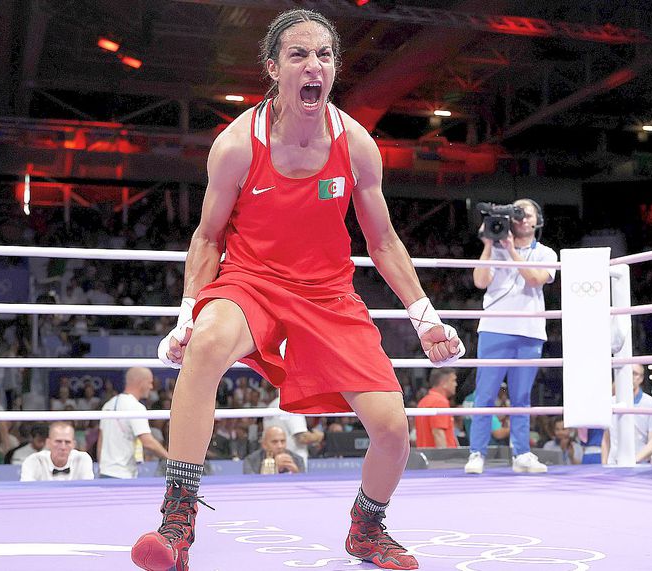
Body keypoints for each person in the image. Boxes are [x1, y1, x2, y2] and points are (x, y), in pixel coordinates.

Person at [130, 9, 464, 571]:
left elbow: (382, 242)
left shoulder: (356, 145)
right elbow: (208, 236)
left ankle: (367, 527)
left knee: (391, 430)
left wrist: (424, 314)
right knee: (208, 345)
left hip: (329, 296)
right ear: (273, 68)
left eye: (325, 56)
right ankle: (177, 522)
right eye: (299, 55)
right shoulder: (237, 145)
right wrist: (188, 313)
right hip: (251, 283)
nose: (315, 66)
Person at [465, 198, 556, 475]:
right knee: (485, 394)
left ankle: (522, 454)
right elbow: (480, 282)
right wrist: (489, 244)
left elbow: (535, 279)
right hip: (494, 328)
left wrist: (513, 252)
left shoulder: (546, 253)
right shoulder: (495, 249)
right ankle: (476, 453)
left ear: (536, 221)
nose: (520, 219)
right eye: (515, 215)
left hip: (529, 331)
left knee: (522, 396)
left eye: (525, 214)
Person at [98, 367, 168, 478]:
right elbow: (147, 442)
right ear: (142, 382)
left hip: (105, 472)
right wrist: (170, 459)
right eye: (150, 382)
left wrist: (102, 468)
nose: (151, 387)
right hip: (123, 475)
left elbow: (100, 441)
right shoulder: (136, 407)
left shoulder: (108, 405)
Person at [603, 364, 652, 465]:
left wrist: (633, 461)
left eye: (634, 374)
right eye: (627, 373)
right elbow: (606, 438)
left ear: (641, 378)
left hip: (641, 465)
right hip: (613, 465)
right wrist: (604, 465)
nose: (630, 377)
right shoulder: (610, 403)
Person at [20, 421, 94, 481]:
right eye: (58, 441)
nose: (63, 447)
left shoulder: (83, 459)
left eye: (67, 442)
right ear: (48, 443)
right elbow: (27, 492)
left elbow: (88, 491)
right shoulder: (33, 461)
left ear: (73, 445)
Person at [264, 395, 324, 468]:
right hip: (292, 461)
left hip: (273, 459)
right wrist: (318, 436)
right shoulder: (292, 403)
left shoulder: (273, 404)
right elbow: (303, 437)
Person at [414, 368, 458, 448]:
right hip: (439, 457)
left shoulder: (423, 401)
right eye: (453, 380)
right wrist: (443, 459)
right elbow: (438, 434)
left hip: (426, 454)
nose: (455, 384)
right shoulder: (440, 402)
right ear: (444, 383)